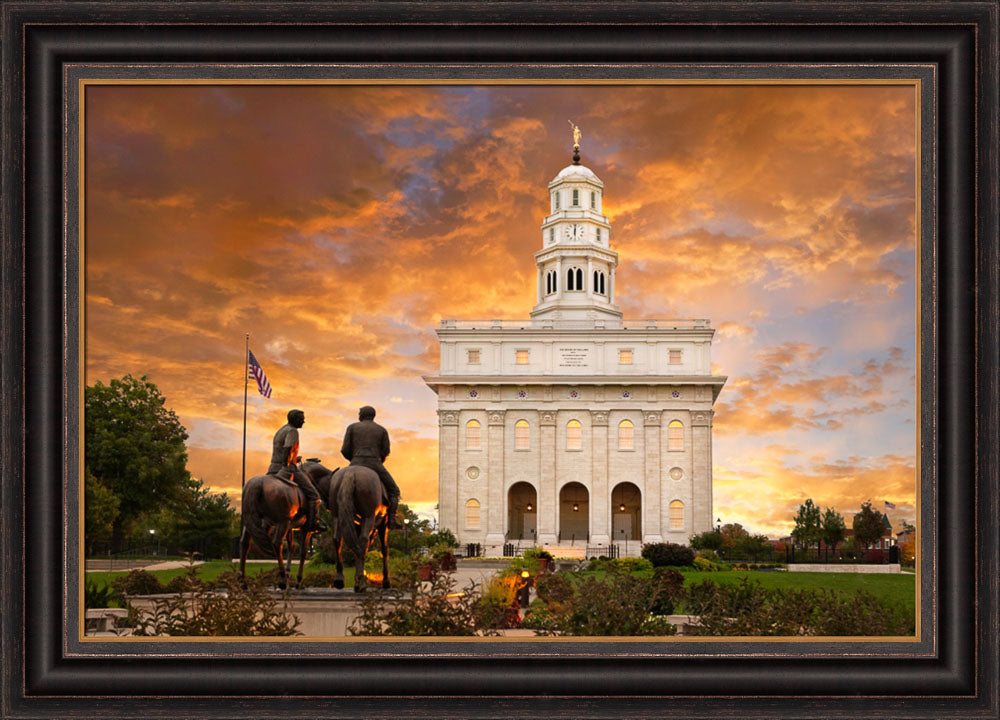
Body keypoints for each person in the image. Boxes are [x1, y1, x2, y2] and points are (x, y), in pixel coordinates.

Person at [340, 405, 402, 528]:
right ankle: (392, 520)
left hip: (355, 462)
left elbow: (344, 450)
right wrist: (378, 461)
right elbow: (386, 451)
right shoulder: (381, 430)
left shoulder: (351, 427)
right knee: (394, 491)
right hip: (374, 463)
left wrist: (353, 460)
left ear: (362, 415)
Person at [268, 408, 326, 533]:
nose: (303, 421)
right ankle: (313, 523)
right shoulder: (293, 431)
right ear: (294, 419)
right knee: (314, 496)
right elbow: (288, 448)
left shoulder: (281, 430)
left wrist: (294, 457)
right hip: (288, 468)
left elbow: (281, 449)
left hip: (273, 467)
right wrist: (289, 462)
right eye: (301, 419)